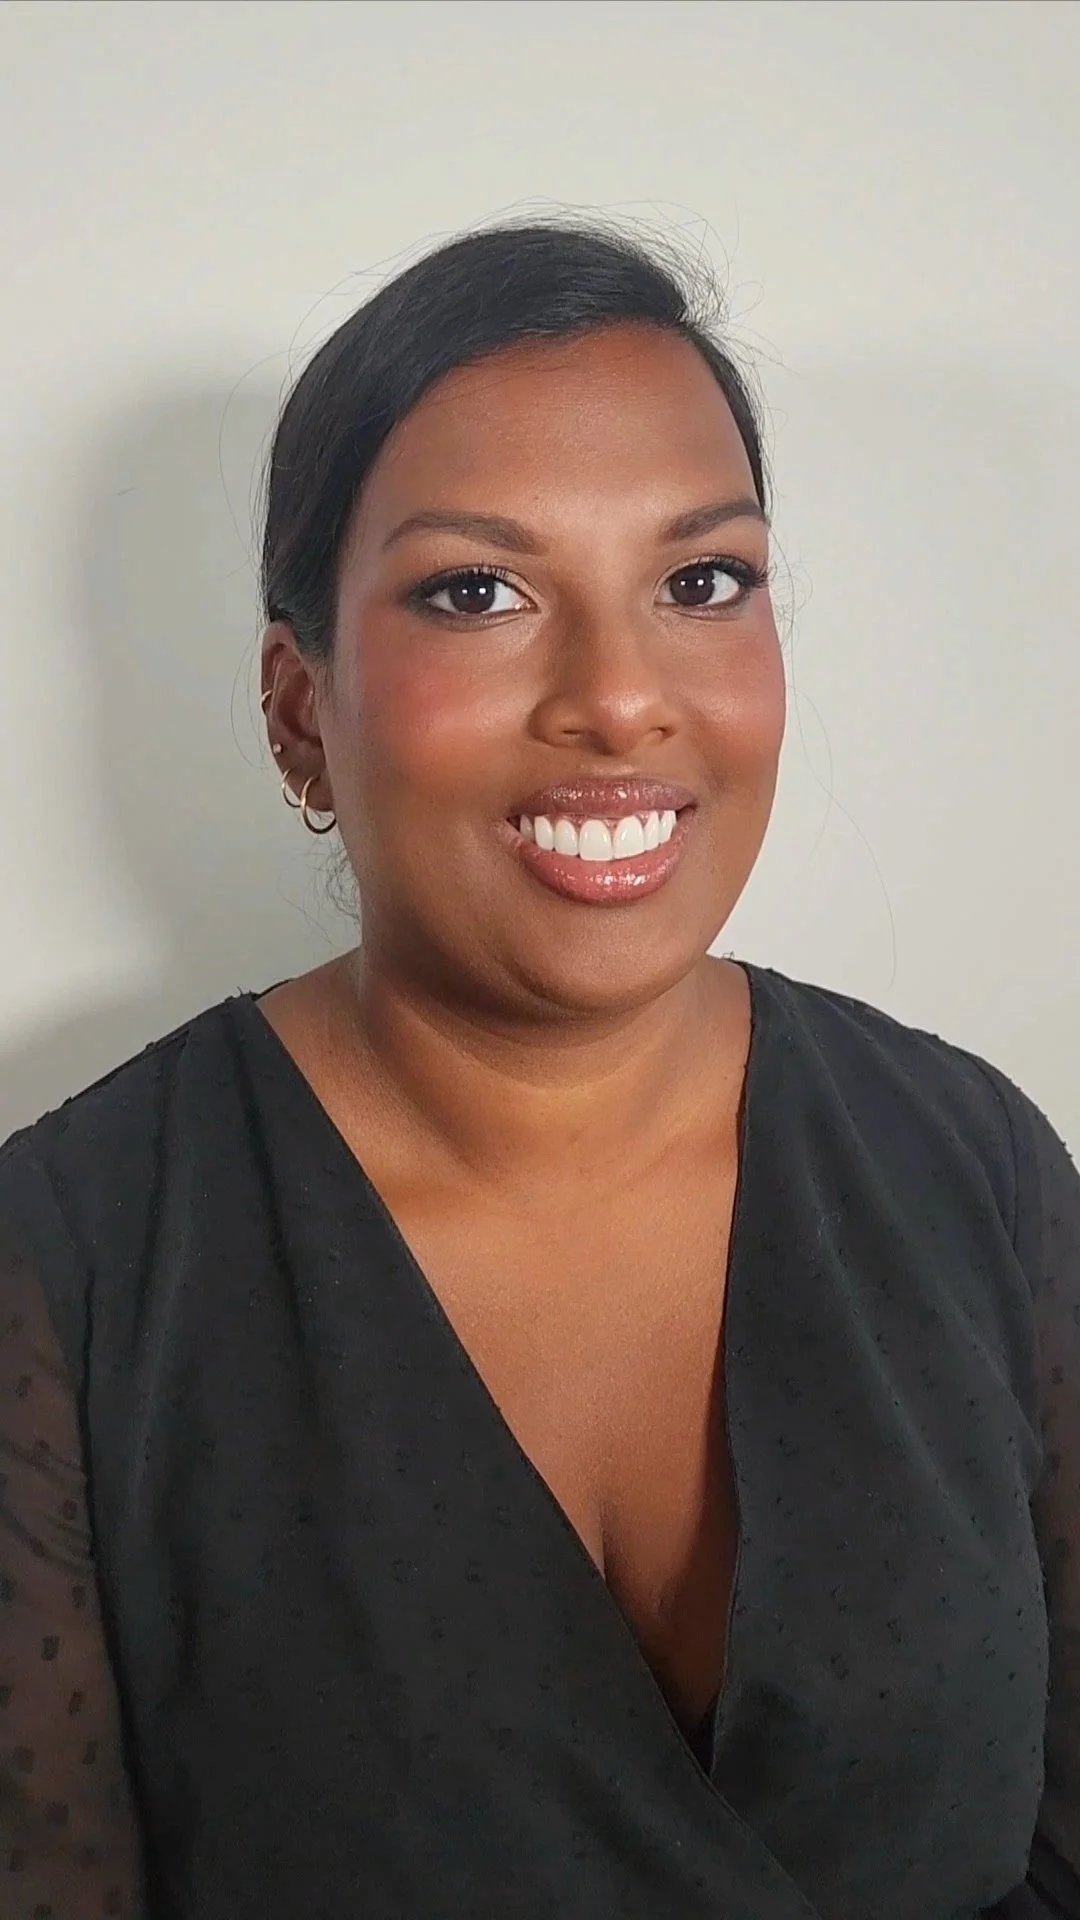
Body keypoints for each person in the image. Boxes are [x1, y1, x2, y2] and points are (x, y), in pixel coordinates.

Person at [0, 218, 1077, 1920]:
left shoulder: (976, 1166)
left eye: (701, 582)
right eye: (478, 592)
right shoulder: (66, 1270)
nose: (621, 698)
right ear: (299, 710)